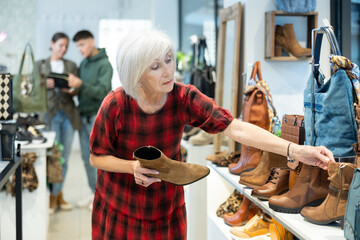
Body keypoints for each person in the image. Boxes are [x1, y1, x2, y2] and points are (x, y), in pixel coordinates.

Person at [88, 30, 334, 240]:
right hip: (119, 208)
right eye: (155, 66)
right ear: (137, 73)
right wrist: (133, 168)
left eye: (169, 60)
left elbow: (234, 127)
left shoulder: (183, 97)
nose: (168, 71)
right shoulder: (116, 104)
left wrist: (298, 151)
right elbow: (97, 157)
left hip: (165, 209)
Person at [36, 32, 81, 214]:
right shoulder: (40, 64)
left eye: (66, 47)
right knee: (54, 156)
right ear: (52, 44)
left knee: (65, 157)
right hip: (50, 115)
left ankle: (58, 193)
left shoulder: (71, 65)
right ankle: (53, 196)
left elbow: (77, 91)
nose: (63, 49)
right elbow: (31, 89)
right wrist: (42, 85)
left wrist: (71, 88)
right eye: (60, 45)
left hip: (68, 115)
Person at [67, 30, 112, 210]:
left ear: (92, 41)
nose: (79, 49)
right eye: (77, 46)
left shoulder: (105, 64)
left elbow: (103, 92)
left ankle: (103, 197)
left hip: (96, 117)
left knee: (99, 159)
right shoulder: (84, 63)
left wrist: (81, 85)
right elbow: (83, 89)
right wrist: (73, 89)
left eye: (82, 44)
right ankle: (94, 194)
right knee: (87, 159)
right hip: (82, 115)